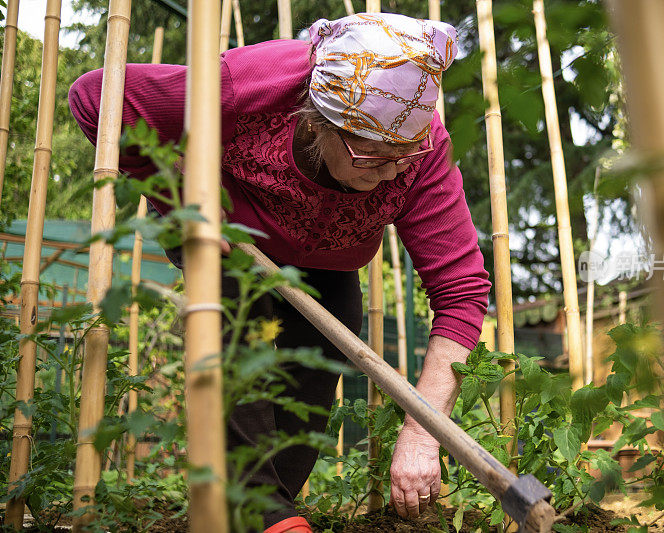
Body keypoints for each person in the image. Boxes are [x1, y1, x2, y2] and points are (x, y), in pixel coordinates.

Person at [70, 13, 490, 533]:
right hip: (228, 237)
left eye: (402, 159)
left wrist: (423, 433)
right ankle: (271, 518)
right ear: (316, 120)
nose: (388, 173)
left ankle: (260, 511)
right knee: (228, 322)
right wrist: (177, 198)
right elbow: (96, 96)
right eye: (370, 155)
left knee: (319, 360)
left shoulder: (421, 150)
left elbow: (462, 291)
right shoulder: (252, 84)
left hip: (328, 257)